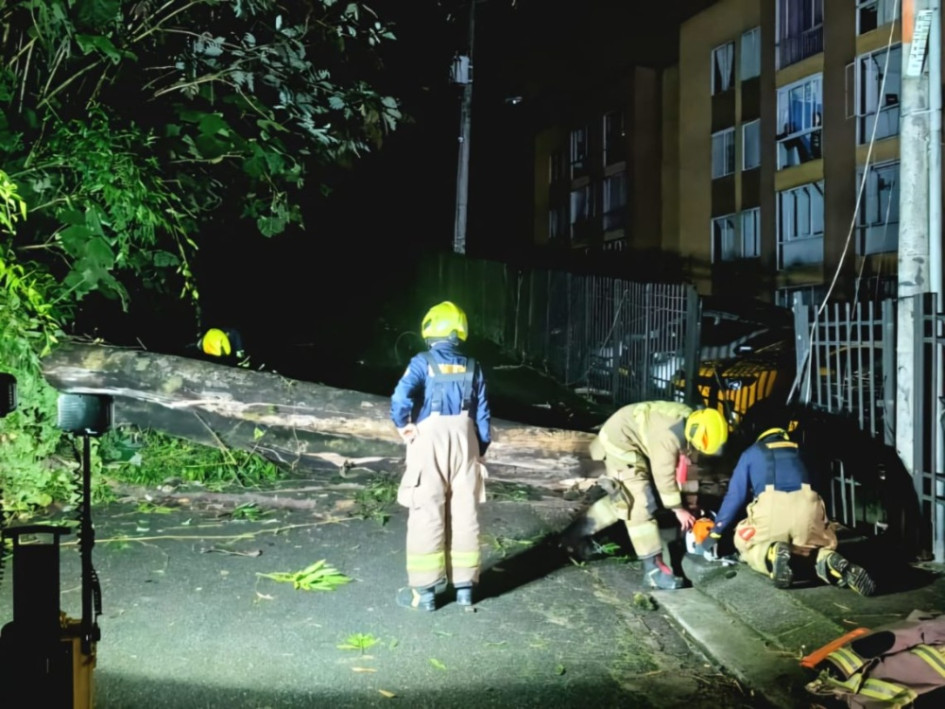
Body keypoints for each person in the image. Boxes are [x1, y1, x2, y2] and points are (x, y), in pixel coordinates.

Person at [559, 402, 728, 590]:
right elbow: (664, 476)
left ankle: (572, 536)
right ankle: (654, 571)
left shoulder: (694, 421)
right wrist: (678, 509)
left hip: (634, 438)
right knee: (640, 505)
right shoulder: (667, 436)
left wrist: (690, 500)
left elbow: (684, 460)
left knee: (624, 501)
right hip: (620, 444)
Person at [389, 301, 491, 611]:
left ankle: (426, 593)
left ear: (429, 330)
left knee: (426, 512)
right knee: (465, 515)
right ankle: (465, 590)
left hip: (430, 443)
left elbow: (400, 396)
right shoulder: (474, 366)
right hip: (466, 441)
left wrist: (403, 425)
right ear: (460, 331)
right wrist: (479, 451)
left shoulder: (422, 361)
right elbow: (484, 414)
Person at [692, 427, 876, 595]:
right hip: (807, 508)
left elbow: (736, 496)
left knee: (744, 543)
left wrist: (715, 533)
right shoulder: (804, 452)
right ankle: (826, 559)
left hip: (771, 509)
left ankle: (771, 554)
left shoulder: (751, 453)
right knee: (810, 546)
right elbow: (820, 485)